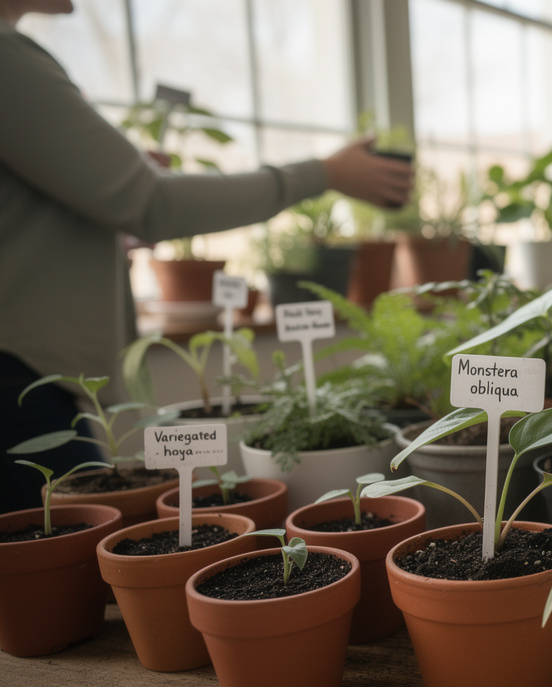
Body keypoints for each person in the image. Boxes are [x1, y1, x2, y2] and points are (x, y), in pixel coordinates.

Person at [0, 0, 413, 513]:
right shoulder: (7, 56)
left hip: (27, 368)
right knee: (44, 568)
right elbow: (153, 203)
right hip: (15, 374)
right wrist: (323, 173)